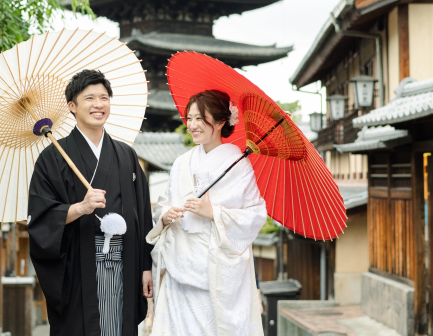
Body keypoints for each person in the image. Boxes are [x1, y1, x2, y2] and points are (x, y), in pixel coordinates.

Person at [28, 69, 154, 336]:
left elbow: (143, 215)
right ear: (72, 106)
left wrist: (145, 266)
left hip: (125, 261)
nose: (99, 105)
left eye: (104, 97)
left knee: (119, 326)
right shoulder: (52, 158)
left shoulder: (126, 155)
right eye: (90, 98)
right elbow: (41, 218)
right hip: (78, 265)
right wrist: (80, 208)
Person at [148, 90, 267, 336]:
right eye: (189, 118)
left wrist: (214, 212)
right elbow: (163, 202)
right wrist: (166, 214)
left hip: (214, 272)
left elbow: (255, 215)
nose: (192, 125)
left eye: (200, 119)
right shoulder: (182, 162)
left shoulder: (238, 165)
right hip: (178, 267)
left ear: (221, 122)